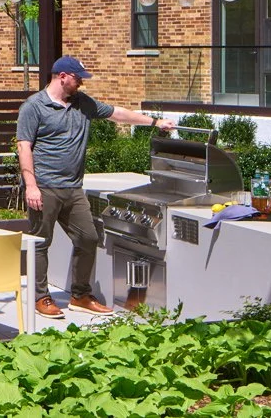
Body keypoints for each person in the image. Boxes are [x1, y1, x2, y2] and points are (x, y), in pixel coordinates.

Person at [17, 55, 174, 318]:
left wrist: (155, 123)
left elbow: (118, 114)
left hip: (73, 189)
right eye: (78, 78)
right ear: (63, 77)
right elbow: (24, 147)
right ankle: (41, 297)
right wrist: (30, 185)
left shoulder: (83, 104)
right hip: (44, 187)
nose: (80, 84)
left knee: (89, 238)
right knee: (41, 243)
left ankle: (80, 295)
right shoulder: (33, 107)